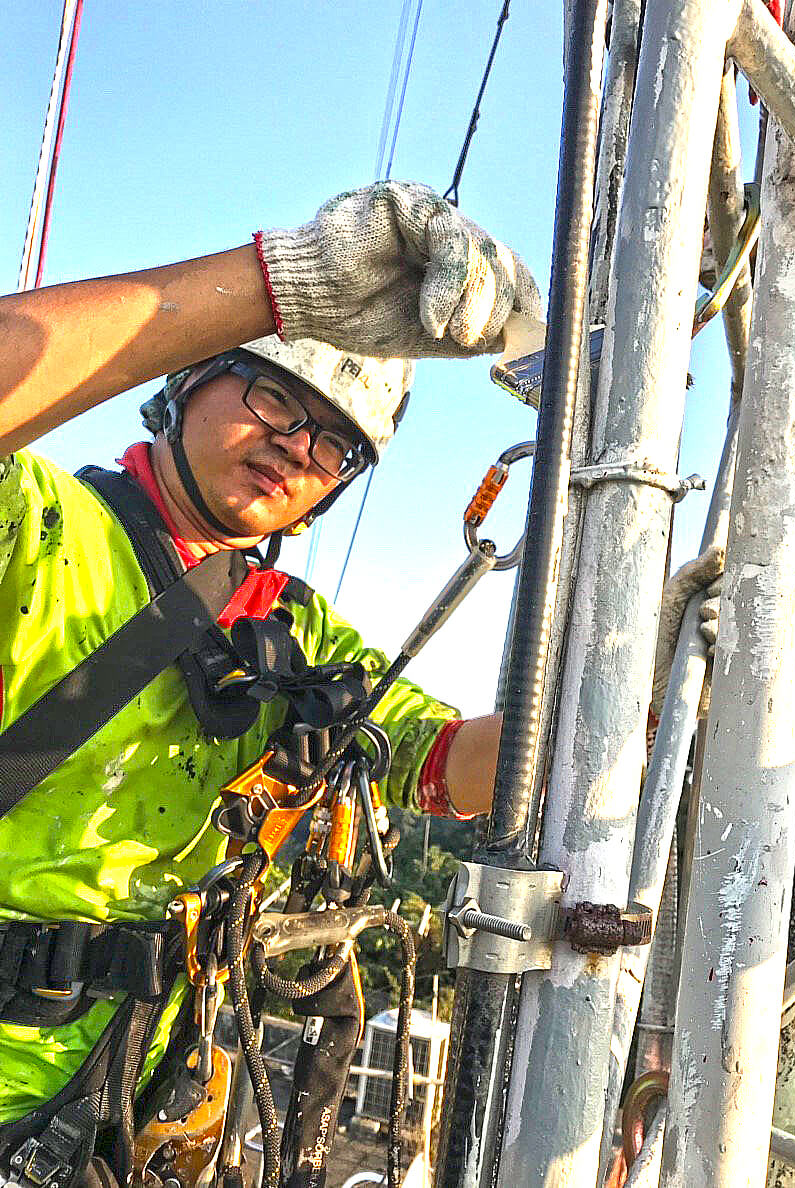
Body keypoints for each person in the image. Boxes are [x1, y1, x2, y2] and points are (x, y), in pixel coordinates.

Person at [0, 181, 539, 1178]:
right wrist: (274, 285)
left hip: (121, 1119)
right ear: (186, 379)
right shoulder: (35, 530)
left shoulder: (289, 631)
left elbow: (453, 763)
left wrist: (652, 695)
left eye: (335, 443)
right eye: (275, 397)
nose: (298, 447)